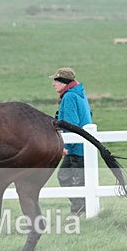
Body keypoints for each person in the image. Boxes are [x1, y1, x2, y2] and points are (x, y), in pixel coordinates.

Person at [51, 67, 92, 215]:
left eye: (56, 81)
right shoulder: (79, 94)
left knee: (70, 179)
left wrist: (66, 145)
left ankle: (78, 210)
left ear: (64, 82)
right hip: (82, 146)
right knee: (73, 178)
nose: (53, 84)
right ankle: (83, 208)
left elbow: (70, 123)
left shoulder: (69, 97)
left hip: (75, 147)